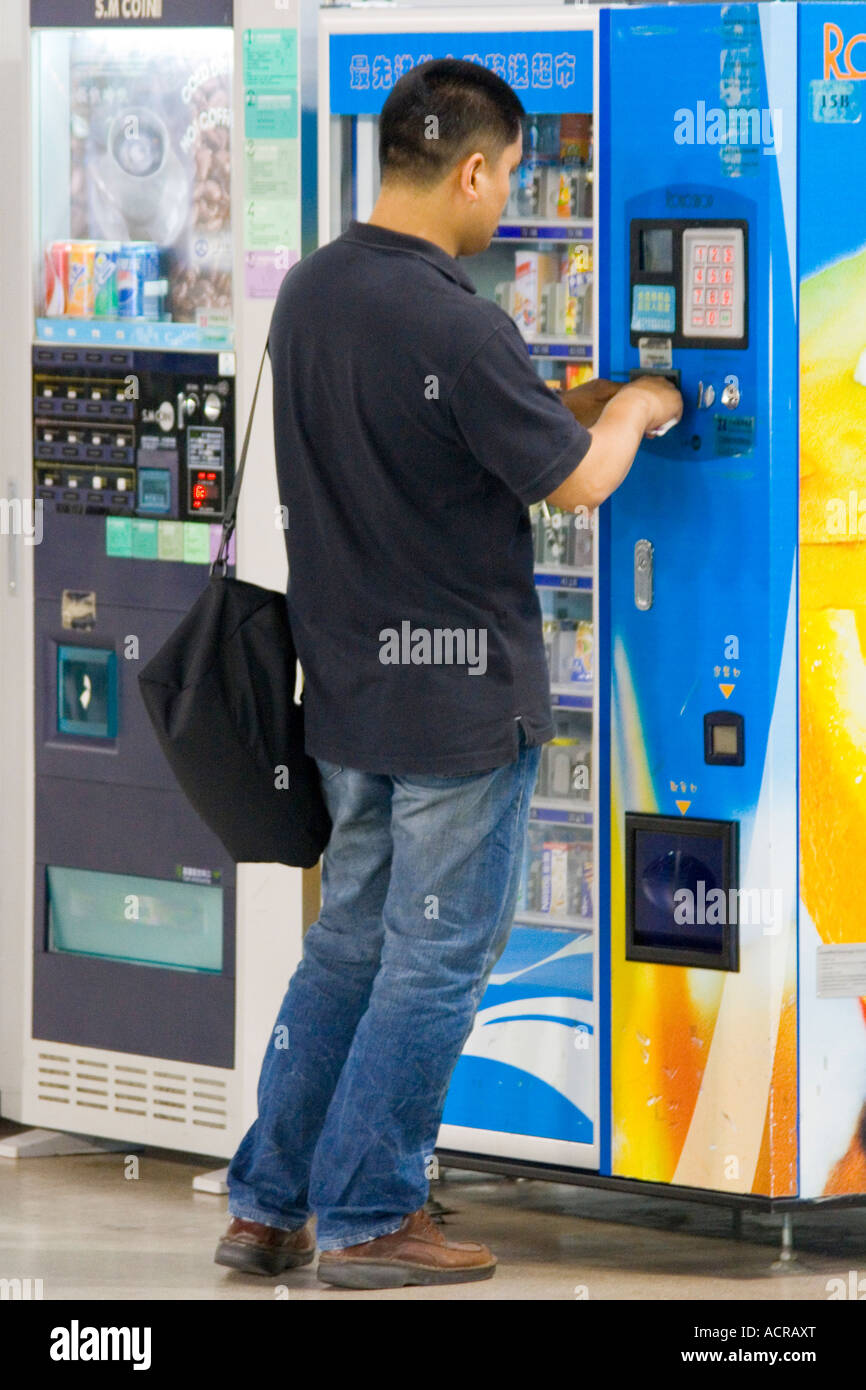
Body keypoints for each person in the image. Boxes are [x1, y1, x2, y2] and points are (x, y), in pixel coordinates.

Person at [215, 58, 682, 1290]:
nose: (508, 199)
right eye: (510, 176)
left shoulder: (311, 291)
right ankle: (371, 1215)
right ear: (472, 169)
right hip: (457, 707)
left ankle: (266, 1204)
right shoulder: (455, 319)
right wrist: (635, 407)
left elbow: (445, 438)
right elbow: (575, 476)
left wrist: (557, 407)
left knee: (349, 948)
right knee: (433, 961)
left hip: (350, 697)